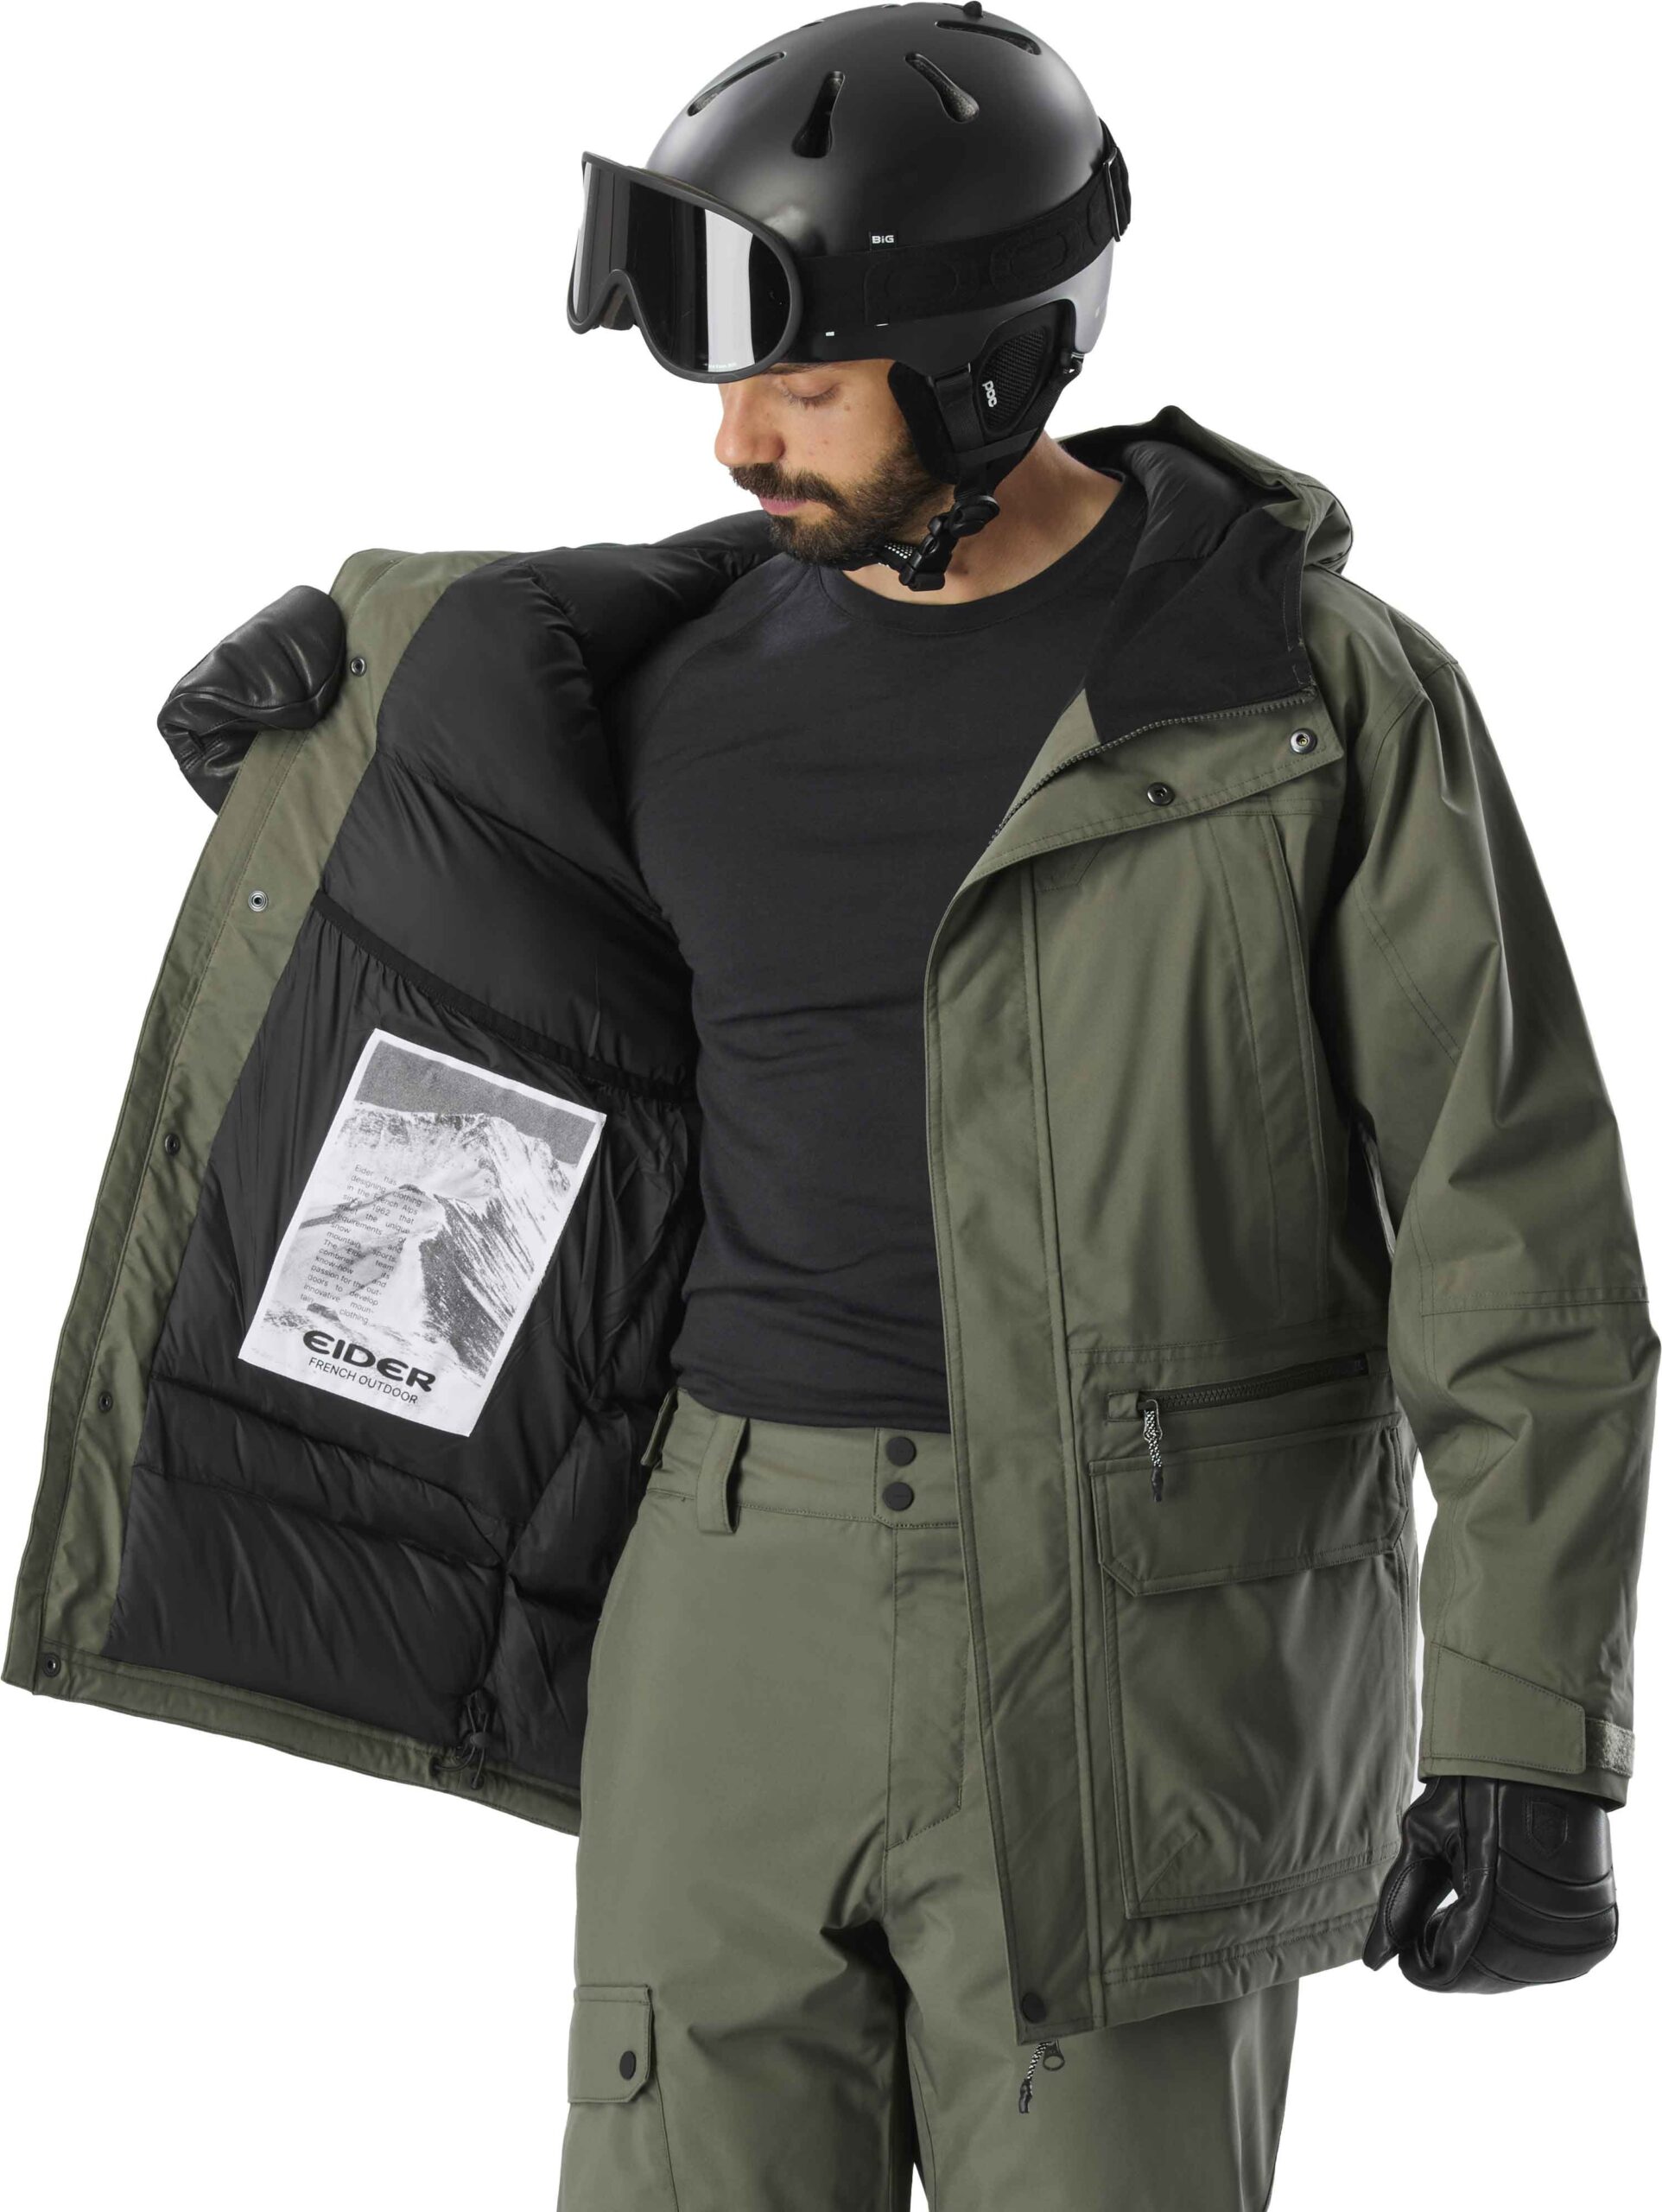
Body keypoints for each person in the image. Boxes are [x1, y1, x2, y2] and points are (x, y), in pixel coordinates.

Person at [5, 9, 1650, 2209]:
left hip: (1145, 1634)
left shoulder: (1298, 705)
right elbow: (511, 1009)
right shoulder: (648, 685)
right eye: (722, 382)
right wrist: (343, 775)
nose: (734, 440)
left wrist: (1529, 1729)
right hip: (722, 1587)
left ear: (984, 363)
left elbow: (1509, 1231)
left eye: (802, 381)